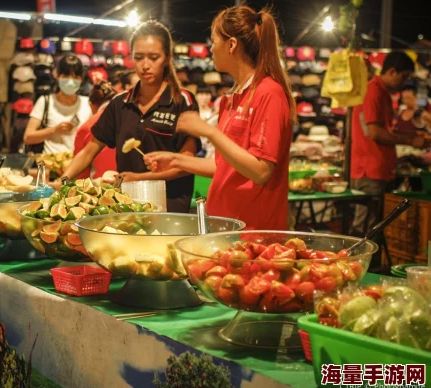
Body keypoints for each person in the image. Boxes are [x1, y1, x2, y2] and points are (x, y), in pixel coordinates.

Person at [145, 5, 296, 230]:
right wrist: (176, 160)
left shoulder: (269, 93)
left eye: (214, 41)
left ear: (232, 45)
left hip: (253, 233)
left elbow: (261, 171)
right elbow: (225, 167)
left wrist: (208, 131)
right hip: (225, 227)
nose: (211, 49)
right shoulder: (232, 98)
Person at [58, 20, 201, 213]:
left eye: (153, 57)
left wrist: (136, 178)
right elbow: (88, 151)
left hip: (170, 208)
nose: (145, 65)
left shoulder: (182, 100)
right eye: (139, 57)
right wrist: (63, 181)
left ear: (167, 58)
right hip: (126, 207)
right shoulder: (120, 103)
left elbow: (187, 164)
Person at [350, 52, 429, 236]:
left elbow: (385, 130)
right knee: (365, 230)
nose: (404, 82)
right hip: (369, 170)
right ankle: (357, 264)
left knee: (375, 227)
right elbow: (375, 133)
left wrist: (412, 135)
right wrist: (410, 140)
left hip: (380, 168)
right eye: (404, 77)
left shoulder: (383, 93)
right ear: (392, 71)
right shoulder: (373, 91)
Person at [23, 55, 92, 154]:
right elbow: (28, 137)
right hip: (51, 165)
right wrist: (54, 130)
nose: (70, 81)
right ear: (57, 76)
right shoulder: (45, 101)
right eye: (66, 76)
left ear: (81, 79)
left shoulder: (88, 104)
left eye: (75, 77)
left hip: (79, 166)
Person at [73, 81, 118, 179]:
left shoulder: (87, 126)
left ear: (91, 104)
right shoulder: (130, 116)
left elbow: (81, 173)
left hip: (102, 186)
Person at [195, 85, 217, 158]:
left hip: (211, 149)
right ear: (196, 96)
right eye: (201, 94)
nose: (204, 97)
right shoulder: (192, 112)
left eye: (207, 94)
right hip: (196, 146)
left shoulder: (215, 113)